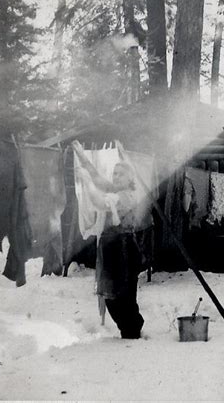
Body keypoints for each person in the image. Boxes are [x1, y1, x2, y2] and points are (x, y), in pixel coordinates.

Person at [72, 141, 152, 339]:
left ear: (130, 179)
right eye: (114, 173)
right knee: (111, 296)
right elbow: (98, 179)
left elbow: (100, 202)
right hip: (112, 248)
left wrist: (87, 184)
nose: (116, 176)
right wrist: (83, 157)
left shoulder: (127, 196)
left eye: (121, 174)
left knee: (122, 296)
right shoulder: (115, 190)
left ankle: (132, 331)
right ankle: (131, 327)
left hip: (124, 249)